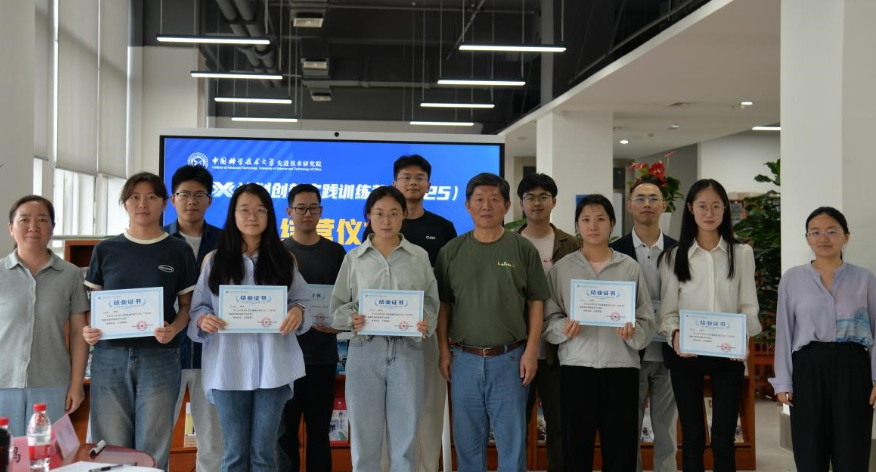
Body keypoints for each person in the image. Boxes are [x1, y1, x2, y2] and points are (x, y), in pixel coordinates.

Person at [187, 183, 311, 472]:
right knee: (234, 453)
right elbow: (198, 307)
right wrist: (203, 319)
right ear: (233, 214)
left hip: (274, 367)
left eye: (259, 210)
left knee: (264, 453)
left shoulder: (284, 259)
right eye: (244, 209)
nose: (252, 216)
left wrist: (297, 310)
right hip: (228, 367)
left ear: (269, 215)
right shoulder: (215, 260)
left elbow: (302, 299)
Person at [82, 172, 199, 470]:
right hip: (110, 357)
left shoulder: (178, 249)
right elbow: (93, 305)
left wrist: (174, 328)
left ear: (164, 203)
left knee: (153, 447)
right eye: (134, 197)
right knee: (111, 446)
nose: (142, 204)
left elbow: (187, 306)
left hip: (160, 357)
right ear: (125, 203)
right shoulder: (106, 249)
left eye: (151, 197)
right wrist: (90, 328)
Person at [435, 172, 550, 472]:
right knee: (468, 443)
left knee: (512, 444)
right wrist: (444, 350)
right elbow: (443, 305)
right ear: (467, 206)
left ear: (507, 205)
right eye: (479, 200)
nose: (486, 206)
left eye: (494, 199)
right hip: (464, 359)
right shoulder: (451, 251)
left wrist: (531, 352)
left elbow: (536, 302)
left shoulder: (523, 249)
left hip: (510, 359)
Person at [330, 186, 439, 472]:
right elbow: (337, 308)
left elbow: (431, 301)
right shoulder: (354, 258)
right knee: (364, 439)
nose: (386, 220)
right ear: (368, 215)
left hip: (408, 351)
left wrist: (425, 320)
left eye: (393, 213)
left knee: (405, 438)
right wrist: (351, 319)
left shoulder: (419, 256)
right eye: (379, 213)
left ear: (404, 215)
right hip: (366, 349)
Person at [543, 194, 655, 472]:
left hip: (621, 369)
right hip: (576, 369)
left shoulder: (629, 267)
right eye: (586, 220)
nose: (593, 226)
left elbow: (646, 318)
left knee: (620, 452)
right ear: (577, 226)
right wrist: (564, 328)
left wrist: (633, 331)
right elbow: (548, 318)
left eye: (601, 219)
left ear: (612, 224)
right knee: (575, 450)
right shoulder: (562, 269)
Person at [657, 179, 761, 472]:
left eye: (716, 206)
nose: (709, 213)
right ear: (691, 209)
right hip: (687, 355)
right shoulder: (673, 257)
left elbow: (748, 306)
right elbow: (667, 312)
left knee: (724, 437)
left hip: (728, 354)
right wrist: (675, 334)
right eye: (702, 206)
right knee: (692, 437)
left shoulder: (741, 254)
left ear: (725, 209)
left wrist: (743, 336)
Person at [363, 154, 457, 472]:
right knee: (385, 410)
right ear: (395, 183)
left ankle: (426, 467)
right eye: (406, 177)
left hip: (424, 331)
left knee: (428, 405)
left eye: (419, 177)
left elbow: (445, 287)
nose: (412, 182)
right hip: (381, 335)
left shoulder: (443, 228)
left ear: (429, 184)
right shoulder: (374, 230)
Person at [769, 207, 876, 472]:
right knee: (809, 453)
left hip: (853, 368)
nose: (823, 238)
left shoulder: (865, 279)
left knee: (852, 453)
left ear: (846, 237)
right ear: (807, 238)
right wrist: (783, 381)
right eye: (815, 232)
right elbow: (784, 332)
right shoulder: (793, 279)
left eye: (831, 231)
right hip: (808, 368)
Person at [0, 196, 89, 437]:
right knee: (4, 454)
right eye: (24, 220)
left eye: (42, 219)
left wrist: (76, 384)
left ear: (52, 227)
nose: (33, 227)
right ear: (11, 228)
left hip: (52, 384)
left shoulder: (70, 274)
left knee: (46, 454)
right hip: (3, 384)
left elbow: (79, 333)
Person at [610, 179, 678, 472]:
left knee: (667, 430)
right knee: (628, 428)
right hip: (628, 351)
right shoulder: (615, 251)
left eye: (653, 198)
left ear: (663, 205)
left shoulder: (680, 250)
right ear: (629, 206)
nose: (647, 204)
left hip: (669, 352)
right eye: (640, 198)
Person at [278, 184, 347, 472]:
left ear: (321, 211)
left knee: (319, 434)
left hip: (322, 357)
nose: (307, 213)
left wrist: (339, 324)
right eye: (301, 208)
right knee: (285, 436)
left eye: (313, 208)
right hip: (284, 358)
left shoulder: (336, 252)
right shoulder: (278, 252)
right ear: (289, 212)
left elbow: (346, 299)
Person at [515, 173, 578, 472]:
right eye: (530, 197)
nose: (536, 203)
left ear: (554, 201)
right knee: (515, 424)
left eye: (543, 197)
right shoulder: (509, 241)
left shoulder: (570, 243)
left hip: (560, 349)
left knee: (559, 425)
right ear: (521, 203)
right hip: (517, 347)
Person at [162, 164, 223, 472]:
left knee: (213, 443)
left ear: (210, 200)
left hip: (214, 353)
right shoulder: (157, 240)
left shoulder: (227, 243)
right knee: (158, 437)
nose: (191, 201)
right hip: (165, 354)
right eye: (184, 194)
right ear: (172, 199)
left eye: (199, 195)